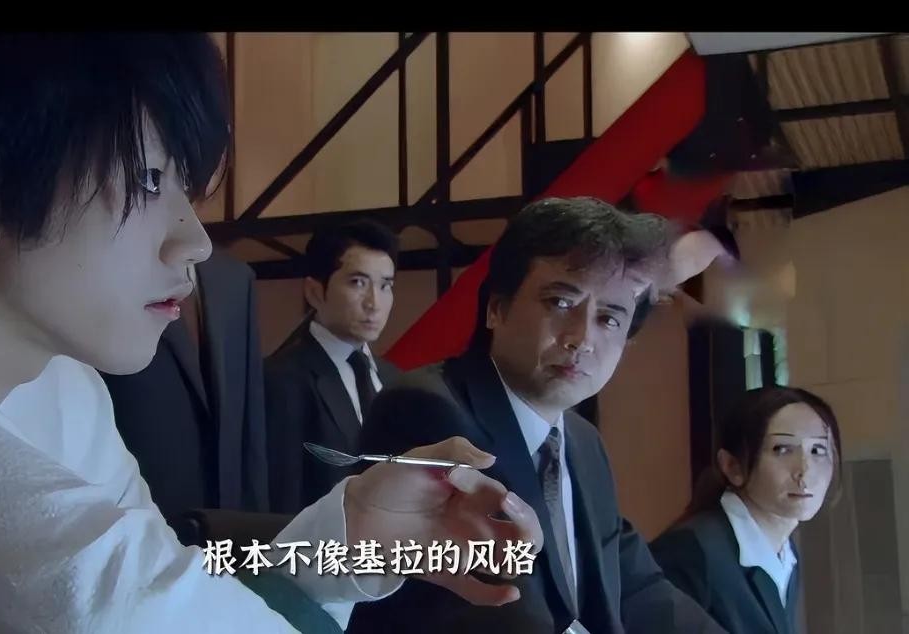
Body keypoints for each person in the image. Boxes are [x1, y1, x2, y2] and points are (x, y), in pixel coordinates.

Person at [0, 33, 541, 633]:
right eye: (146, 180)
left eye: (185, 188)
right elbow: (116, 604)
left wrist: (348, 538)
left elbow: (164, 581)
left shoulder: (66, 386)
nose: (196, 241)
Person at [349, 197, 725, 633]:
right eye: (561, 303)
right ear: (496, 308)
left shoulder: (582, 441)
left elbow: (639, 587)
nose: (581, 338)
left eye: (608, 319)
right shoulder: (427, 410)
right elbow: (497, 614)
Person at [650, 386, 842, 634]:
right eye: (782, 449)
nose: (804, 470)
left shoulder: (785, 554)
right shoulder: (690, 550)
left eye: (818, 450)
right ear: (732, 466)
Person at [101, 249, 272, 524]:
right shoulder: (105, 260)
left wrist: (254, 522)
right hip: (136, 512)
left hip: (226, 516)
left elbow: (249, 411)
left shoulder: (235, 277)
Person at [265, 220, 401, 514]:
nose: (374, 303)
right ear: (315, 292)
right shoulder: (281, 378)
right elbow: (282, 497)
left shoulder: (396, 380)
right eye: (358, 283)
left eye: (385, 286)